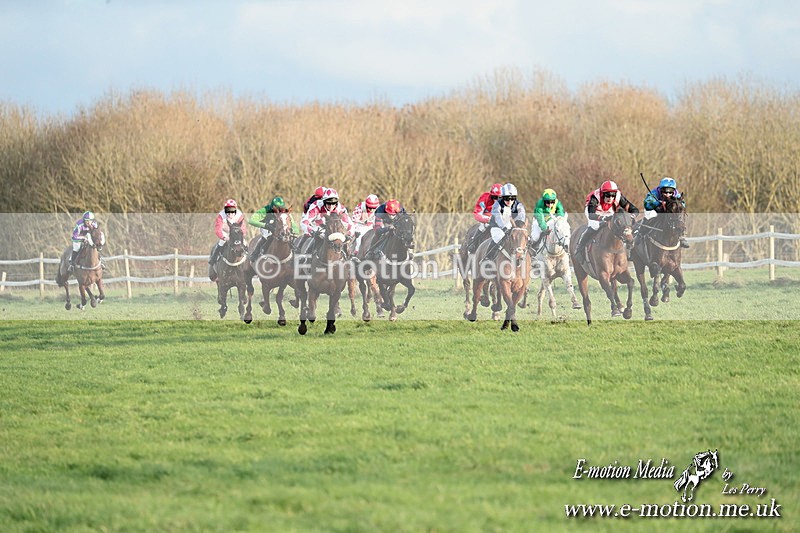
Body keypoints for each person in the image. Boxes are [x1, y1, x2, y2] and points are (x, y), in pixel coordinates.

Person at [574, 180, 639, 263]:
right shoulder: (595, 197)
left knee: (619, 225)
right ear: (602, 193)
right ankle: (579, 249)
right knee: (595, 226)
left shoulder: (619, 196)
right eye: (607, 195)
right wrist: (603, 218)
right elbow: (591, 215)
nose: (610, 198)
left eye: (613, 195)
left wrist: (631, 217)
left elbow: (634, 209)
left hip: (608, 210)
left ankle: (628, 249)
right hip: (594, 211)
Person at [481, 183, 527, 266]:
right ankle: (488, 258)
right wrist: (504, 227)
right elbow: (498, 217)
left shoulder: (518, 205)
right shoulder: (497, 205)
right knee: (499, 238)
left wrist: (519, 225)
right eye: (506, 198)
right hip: (497, 227)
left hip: (512, 227)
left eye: (512, 198)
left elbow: (521, 215)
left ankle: (527, 257)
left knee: (522, 239)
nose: (509, 201)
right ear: (502, 197)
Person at [298, 188, 353, 254]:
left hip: (334, 230)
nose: (331, 206)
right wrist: (312, 232)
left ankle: (351, 258)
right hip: (317, 228)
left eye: (333, 203)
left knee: (345, 245)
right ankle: (305, 257)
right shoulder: (316, 206)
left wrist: (349, 235)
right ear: (324, 201)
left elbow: (350, 225)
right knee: (314, 240)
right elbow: (304, 222)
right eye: (328, 203)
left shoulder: (341, 209)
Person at [247, 196, 299, 261]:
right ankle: (255, 253)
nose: (279, 209)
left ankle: (295, 252)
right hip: (267, 227)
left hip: (280, 228)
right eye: (277, 207)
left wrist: (294, 231)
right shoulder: (265, 210)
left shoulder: (284, 211)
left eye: (280, 207)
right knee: (267, 236)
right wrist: (265, 225)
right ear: (272, 206)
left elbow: (292, 222)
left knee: (289, 236)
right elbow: (251, 220)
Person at [642, 177, 689, 248]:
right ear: (661, 190)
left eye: (670, 192)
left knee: (678, 216)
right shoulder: (654, 193)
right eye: (665, 192)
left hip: (667, 212)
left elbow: (683, 204)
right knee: (651, 215)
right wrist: (659, 203)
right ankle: (642, 234)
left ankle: (681, 236)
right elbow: (647, 204)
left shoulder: (677, 194)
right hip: (654, 209)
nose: (667, 194)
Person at [209, 199, 247, 281]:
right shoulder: (220, 215)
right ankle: (213, 259)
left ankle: (249, 261)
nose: (230, 213)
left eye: (232, 211)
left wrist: (240, 237)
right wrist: (224, 237)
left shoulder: (239, 215)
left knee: (245, 243)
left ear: (235, 210)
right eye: (228, 211)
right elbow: (218, 230)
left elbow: (243, 228)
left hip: (236, 234)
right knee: (221, 243)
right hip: (225, 233)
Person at [466, 182, 503, 253]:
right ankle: (473, 243)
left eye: (499, 197)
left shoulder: (506, 201)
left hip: (500, 221)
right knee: (483, 227)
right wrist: (487, 219)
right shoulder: (485, 198)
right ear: (491, 195)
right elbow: (477, 213)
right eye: (494, 197)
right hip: (487, 219)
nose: (497, 200)